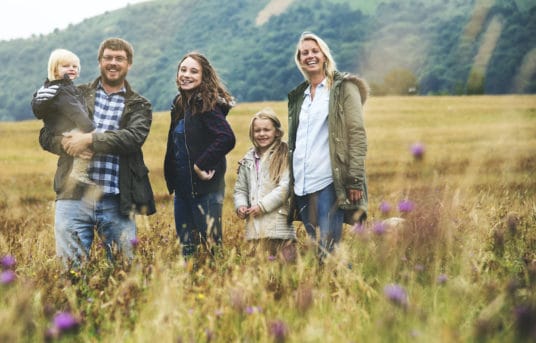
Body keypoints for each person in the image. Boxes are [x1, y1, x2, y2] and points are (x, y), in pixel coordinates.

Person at [33, 38, 156, 267]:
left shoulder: (139, 104)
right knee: (71, 274)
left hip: (117, 199)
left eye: (119, 58)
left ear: (129, 64)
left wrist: (89, 139)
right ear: (99, 62)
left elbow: (132, 138)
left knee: (124, 273)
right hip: (73, 199)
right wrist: (67, 143)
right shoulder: (73, 92)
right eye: (108, 57)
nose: (113, 62)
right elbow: (46, 135)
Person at [287, 32, 369, 260]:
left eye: (315, 51)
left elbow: (357, 135)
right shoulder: (299, 96)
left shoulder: (343, 88)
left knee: (329, 248)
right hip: (303, 185)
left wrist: (354, 180)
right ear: (299, 59)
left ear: (324, 55)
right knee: (318, 248)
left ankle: (346, 291)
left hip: (328, 182)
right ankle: (333, 291)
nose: (310, 56)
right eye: (305, 53)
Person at [164, 52, 236, 259]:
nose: (186, 75)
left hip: (205, 191)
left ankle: (216, 287)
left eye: (194, 71)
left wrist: (201, 164)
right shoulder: (180, 103)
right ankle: (192, 289)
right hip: (183, 191)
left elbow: (226, 137)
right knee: (187, 250)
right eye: (183, 70)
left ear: (204, 76)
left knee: (212, 250)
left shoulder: (206, 103)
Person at [234, 108, 296, 258]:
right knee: (259, 272)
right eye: (257, 130)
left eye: (266, 130)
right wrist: (241, 205)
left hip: (280, 229)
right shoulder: (248, 159)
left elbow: (285, 188)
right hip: (254, 231)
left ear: (276, 131)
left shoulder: (285, 154)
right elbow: (240, 189)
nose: (262, 134)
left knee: (286, 271)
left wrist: (262, 206)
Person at [32, 48, 95, 186]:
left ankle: (81, 172)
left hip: (57, 129)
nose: (71, 69)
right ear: (54, 70)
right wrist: (89, 128)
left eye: (74, 66)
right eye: (66, 66)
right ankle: (79, 172)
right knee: (86, 144)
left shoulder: (48, 89)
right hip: (67, 129)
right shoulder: (63, 91)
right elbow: (75, 111)